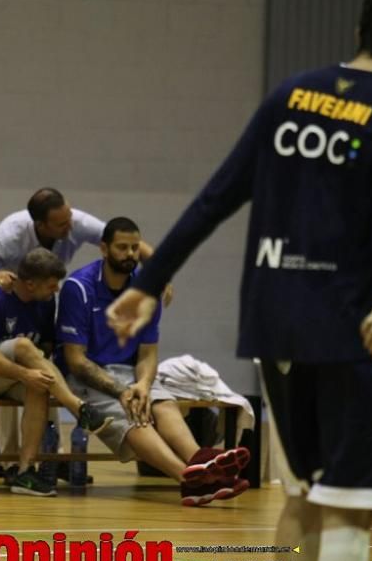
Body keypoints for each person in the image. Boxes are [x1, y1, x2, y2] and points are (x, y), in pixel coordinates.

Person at [106, 0, 372, 561]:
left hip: (277, 323)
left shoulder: (290, 95)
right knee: (350, 506)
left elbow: (217, 195)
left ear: (359, 28)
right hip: (352, 328)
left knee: (305, 491)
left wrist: (149, 280)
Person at [57, 217, 249, 506]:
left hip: (132, 372)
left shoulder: (148, 292)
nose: (131, 254)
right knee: (136, 418)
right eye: (123, 248)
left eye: (135, 248)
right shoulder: (78, 287)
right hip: (87, 376)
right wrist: (122, 391)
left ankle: (201, 460)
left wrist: (144, 385)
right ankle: (188, 479)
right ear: (104, 249)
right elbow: (76, 361)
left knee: (163, 403)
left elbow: (147, 353)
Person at [0, 188, 165, 460]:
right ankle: (8, 458)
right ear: (40, 225)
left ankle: (49, 456)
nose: (70, 227)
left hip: (37, 301)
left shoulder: (75, 225)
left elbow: (125, 241)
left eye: (70, 217)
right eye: (61, 224)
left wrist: (159, 274)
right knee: (20, 356)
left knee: (44, 376)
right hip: (5, 312)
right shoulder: (9, 237)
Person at [0, 248, 111, 497]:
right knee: (24, 347)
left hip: (9, 372)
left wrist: (35, 369)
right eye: (50, 285)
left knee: (40, 384)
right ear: (29, 284)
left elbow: (45, 345)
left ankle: (25, 472)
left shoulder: (45, 302)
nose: (55, 290)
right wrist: (25, 372)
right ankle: (78, 408)